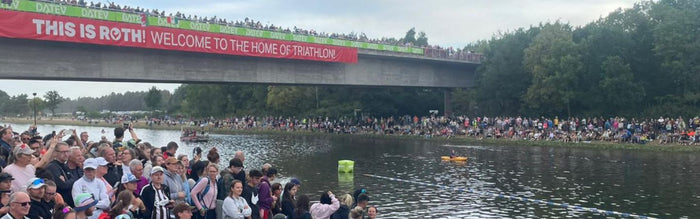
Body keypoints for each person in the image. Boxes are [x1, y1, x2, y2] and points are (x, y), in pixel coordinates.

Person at [46, 142, 79, 208]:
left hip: (70, 203)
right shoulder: (52, 167)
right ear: (55, 153)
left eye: (67, 151)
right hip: (60, 205)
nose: (66, 154)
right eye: (63, 152)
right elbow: (63, 186)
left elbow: (74, 180)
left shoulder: (64, 165)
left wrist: (70, 180)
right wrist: (71, 180)